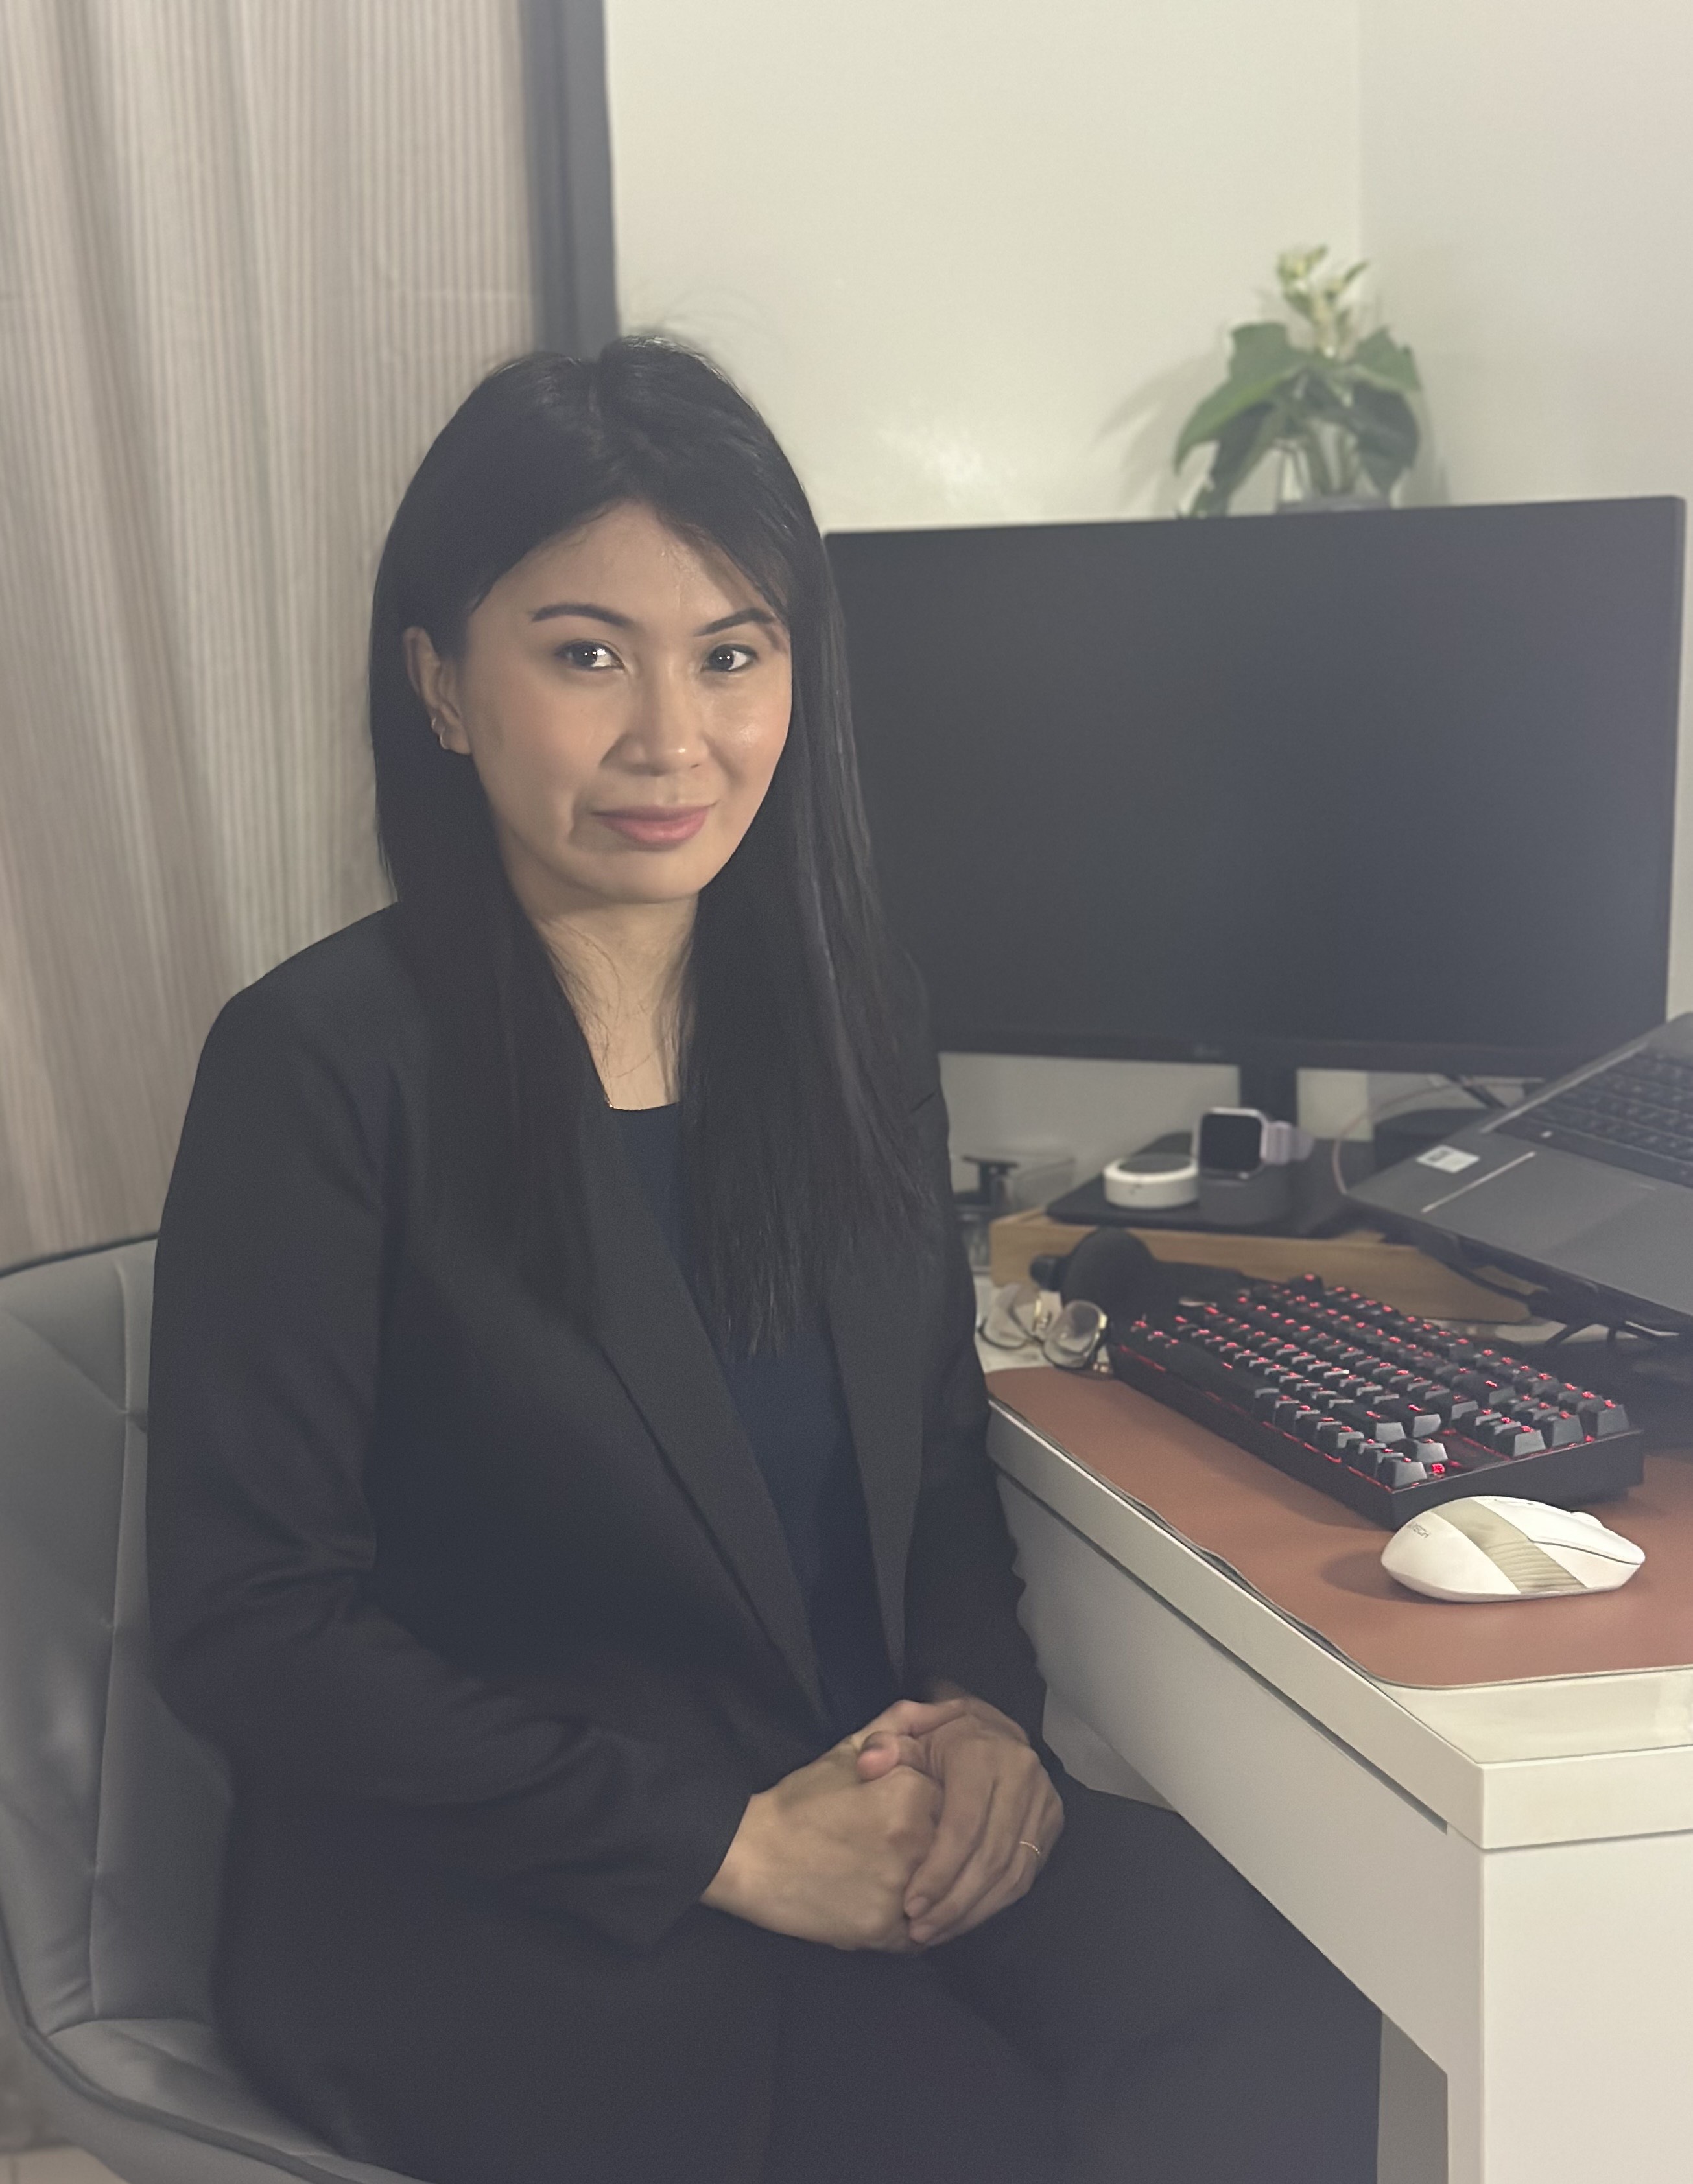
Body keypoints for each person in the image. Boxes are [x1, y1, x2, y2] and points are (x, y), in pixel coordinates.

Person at [147, 338, 1380, 2184]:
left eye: (731, 655)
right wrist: (717, 1843)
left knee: (1294, 2024)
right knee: (977, 2146)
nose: (673, 738)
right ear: (443, 687)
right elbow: (252, 1626)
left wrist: (987, 1723)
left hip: (853, 1799)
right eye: (586, 655)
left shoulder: (843, 1024)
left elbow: (935, 1469)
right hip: (510, 1891)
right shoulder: (318, 1065)